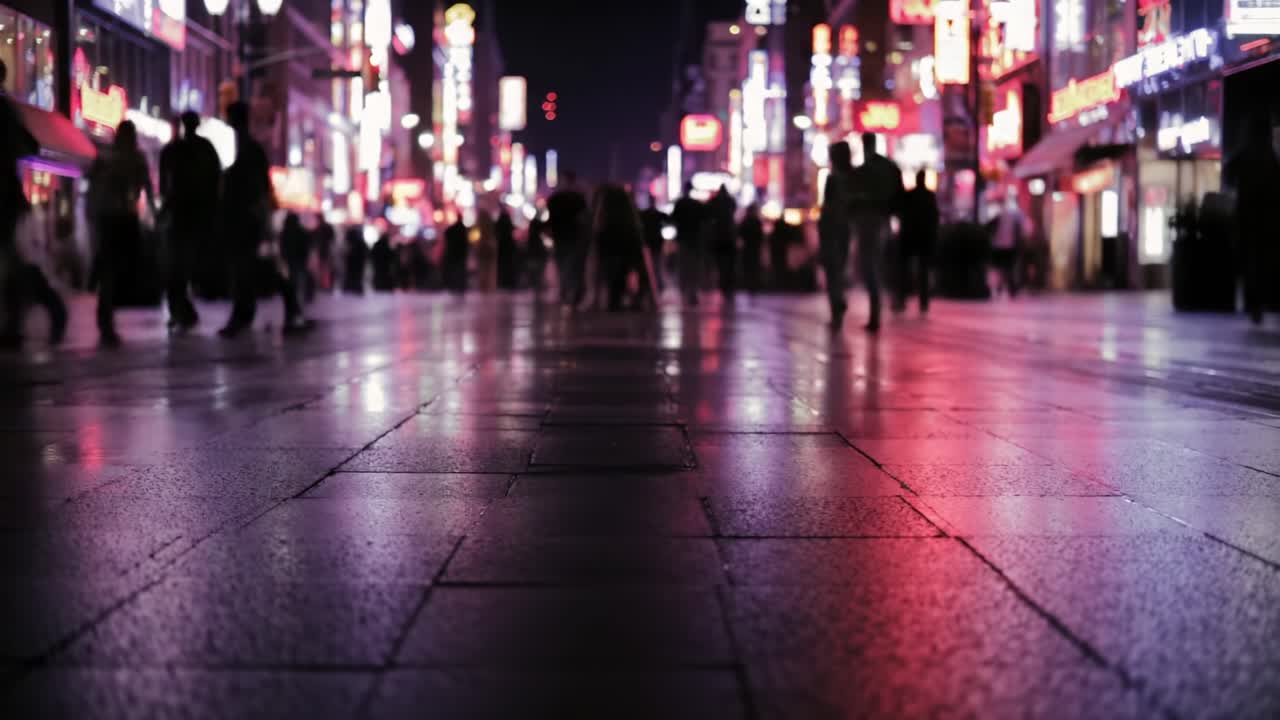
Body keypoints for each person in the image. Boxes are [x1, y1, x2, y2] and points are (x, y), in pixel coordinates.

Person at [219, 101, 308, 337]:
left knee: (252, 267)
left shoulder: (249, 150)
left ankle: (260, 312)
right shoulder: (245, 148)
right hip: (248, 218)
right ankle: (280, 310)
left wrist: (262, 216)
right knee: (254, 267)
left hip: (249, 219)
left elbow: (260, 187)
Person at [0, 59, 67, 348]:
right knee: (8, 259)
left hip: (3, 193)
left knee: (9, 260)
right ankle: (25, 315)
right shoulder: (8, 111)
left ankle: (31, 311)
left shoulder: (4, 111)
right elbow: (30, 145)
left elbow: (29, 145)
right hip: (7, 192)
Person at [86, 119, 154, 346]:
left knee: (109, 268)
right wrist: (154, 212)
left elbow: (93, 186)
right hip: (123, 218)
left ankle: (105, 318)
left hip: (108, 218)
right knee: (119, 268)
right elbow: (147, 188)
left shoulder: (105, 158)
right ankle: (106, 319)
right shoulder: (136, 159)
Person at [158, 111, 221, 331]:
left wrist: (164, 209)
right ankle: (181, 310)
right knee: (182, 266)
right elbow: (215, 182)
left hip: (183, 214)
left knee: (177, 266)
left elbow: (166, 186)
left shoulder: (174, 151)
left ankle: (180, 310)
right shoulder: (205, 149)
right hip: (195, 215)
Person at [1225, 108, 1279, 325]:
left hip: (1248, 214)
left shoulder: (1245, 152)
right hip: (1267, 218)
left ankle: (1253, 303)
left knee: (1250, 260)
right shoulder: (1269, 155)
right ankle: (1263, 300)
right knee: (1264, 260)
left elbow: (1229, 175)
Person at [848, 132, 904, 332]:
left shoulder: (866, 170)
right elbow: (899, 193)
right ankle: (885, 304)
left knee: (869, 264)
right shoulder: (888, 167)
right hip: (883, 218)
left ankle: (876, 310)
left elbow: (852, 196)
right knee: (879, 262)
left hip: (869, 219)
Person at [592, 184, 653, 311]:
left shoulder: (603, 220)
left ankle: (614, 301)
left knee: (613, 277)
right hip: (628, 254)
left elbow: (599, 243)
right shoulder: (630, 220)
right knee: (626, 275)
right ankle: (635, 299)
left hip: (610, 256)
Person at [820, 141, 855, 329]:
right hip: (845, 227)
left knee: (832, 269)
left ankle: (836, 307)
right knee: (839, 267)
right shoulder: (852, 177)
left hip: (831, 226)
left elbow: (827, 206)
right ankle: (839, 300)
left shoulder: (832, 179)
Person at [895, 169, 939, 313]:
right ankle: (922, 302)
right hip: (922, 238)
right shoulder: (929, 196)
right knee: (921, 271)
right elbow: (934, 218)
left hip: (911, 237)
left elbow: (902, 213)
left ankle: (904, 300)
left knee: (906, 271)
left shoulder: (911, 195)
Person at [547, 172, 589, 304]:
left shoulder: (555, 199)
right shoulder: (578, 198)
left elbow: (551, 218)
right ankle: (570, 291)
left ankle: (565, 290)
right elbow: (583, 218)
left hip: (560, 236)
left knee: (563, 263)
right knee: (572, 265)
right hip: (573, 236)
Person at [672, 183, 706, 306]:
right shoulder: (697, 205)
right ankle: (693, 291)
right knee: (694, 267)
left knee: (684, 266)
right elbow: (705, 219)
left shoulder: (680, 204)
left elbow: (673, 219)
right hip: (695, 240)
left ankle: (685, 290)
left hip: (683, 239)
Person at [990, 187, 1027, 298]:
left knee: (1005, 268)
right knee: (1007, 268)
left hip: (1005, 246)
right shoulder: (1007, 215)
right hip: (1005, 246)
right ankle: (1006, 287)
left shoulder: (1010, 215)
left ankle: (1006, 287)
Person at [710, 185, 738, 300]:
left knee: (722, 265)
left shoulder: (715, 203)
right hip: (729, 238)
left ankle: (724, 285)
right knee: (729, 265)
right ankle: (728, 286)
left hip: (720, 238)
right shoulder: (730, 202)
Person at [280, 212, 315, 301]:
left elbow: (283, 246)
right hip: (300, 258)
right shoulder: (301, 231)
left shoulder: (285, 232)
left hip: (291, 258)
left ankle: (293, 297)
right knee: (300, 277)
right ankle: (300, 296)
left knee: (292, 278)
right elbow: (306, 245)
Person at [639, 195, 669, 291]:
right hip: (655, 242)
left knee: (652, 265)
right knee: (656, 264)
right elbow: (668, 220)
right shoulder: (657, 214)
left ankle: (653, 285)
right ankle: (657, 284)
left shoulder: (645, 214)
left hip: (651, 242)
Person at [739, 200, 765, 295]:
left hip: (748, 248)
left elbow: (740, 233)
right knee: (753, 267)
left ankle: (750, 286)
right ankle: (753, 286)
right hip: (754, 248)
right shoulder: (756, 221)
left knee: (749, 268)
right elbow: (760, 235)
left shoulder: (745, 221)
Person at [442, 215, 470, 294]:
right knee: (460, 270)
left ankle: (454, 286)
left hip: (453, 253)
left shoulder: (453, 228)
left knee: (454, 270)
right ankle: (460, 287)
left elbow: (446, 233)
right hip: (461, 253)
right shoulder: (464, 229)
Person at [525, 212, 549, 293]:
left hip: (533, 250)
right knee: (538, 268)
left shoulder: (532, 236)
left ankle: (535, 283)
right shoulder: (537, 236)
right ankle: (537, 283)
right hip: (537, 250)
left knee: (534, 268)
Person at [495, 208, 517, 290]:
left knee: (502, 266)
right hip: (508, 247)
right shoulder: (508, 223)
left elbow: (496, 231)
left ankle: (502, 283)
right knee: (509, 266)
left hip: (502, 247)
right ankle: (509, 283)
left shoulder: (499, 223)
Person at [342, 226, 367, 294]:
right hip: (357, 264)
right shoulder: (360, 243)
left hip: (354, 264)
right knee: (356, 276)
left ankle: (351, 287)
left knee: (353, 275)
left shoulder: (353, 244)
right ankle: (354, 287)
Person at [313, 219, 336, 292]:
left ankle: (324, 284)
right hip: (325, 251)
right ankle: (325, 284)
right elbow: (332, 238)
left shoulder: (318, 229)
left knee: (323, 268)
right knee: (326, 268)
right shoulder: (325, 228)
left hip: (323, 251)